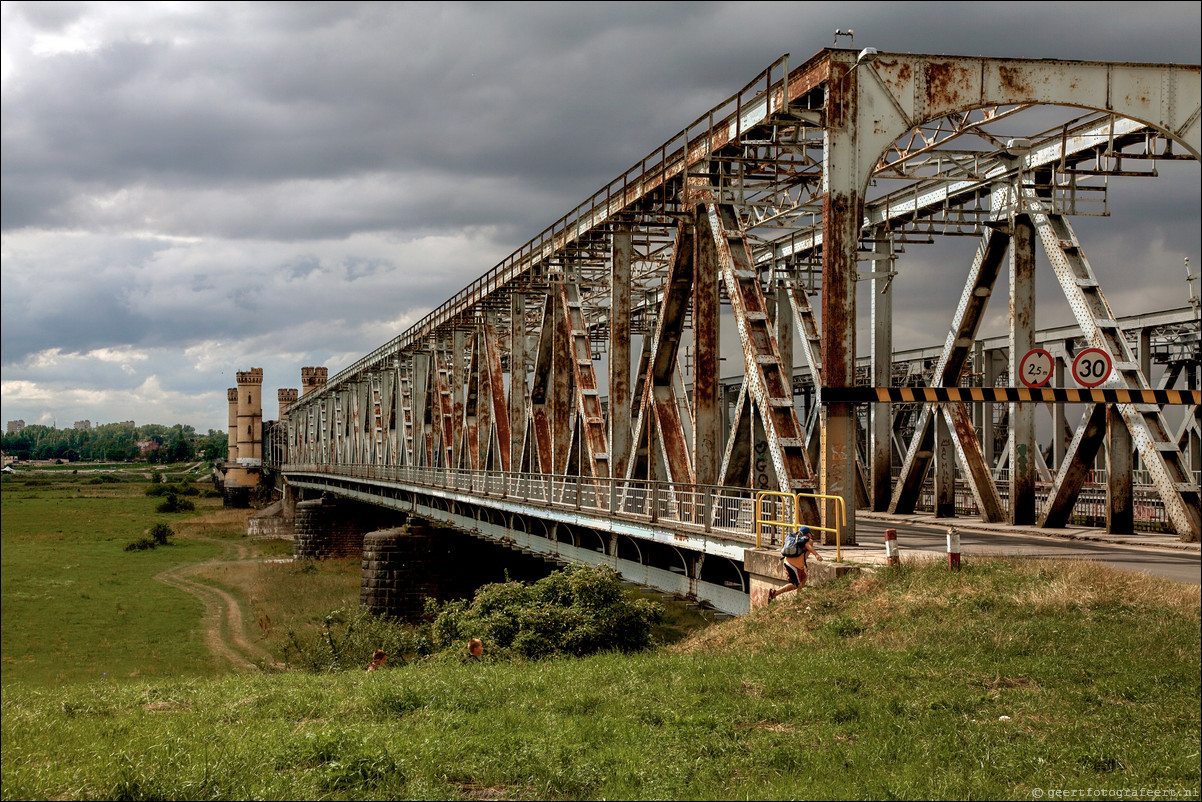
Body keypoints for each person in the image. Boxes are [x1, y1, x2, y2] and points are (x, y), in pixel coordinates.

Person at [768, 527, 823, 603]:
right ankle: (775, 593)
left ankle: (798, 596)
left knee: (804, 577)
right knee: (795, 584)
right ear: (808, 533)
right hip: (793, 565)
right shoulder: (807, 540)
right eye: (810, 534)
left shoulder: (795, 539)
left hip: (791, 563)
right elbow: (808, 546)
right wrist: (816, 555)